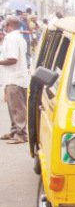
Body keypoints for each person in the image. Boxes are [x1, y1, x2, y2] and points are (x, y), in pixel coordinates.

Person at [0, 16, 30, 144]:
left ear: (9, 25)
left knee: (17, 108)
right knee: (13, 107)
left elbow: (13, 59)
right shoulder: (17, 38)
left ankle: (21, 134)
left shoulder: (12, 38)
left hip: (15, 78)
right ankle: (14, 131)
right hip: (13, 78)